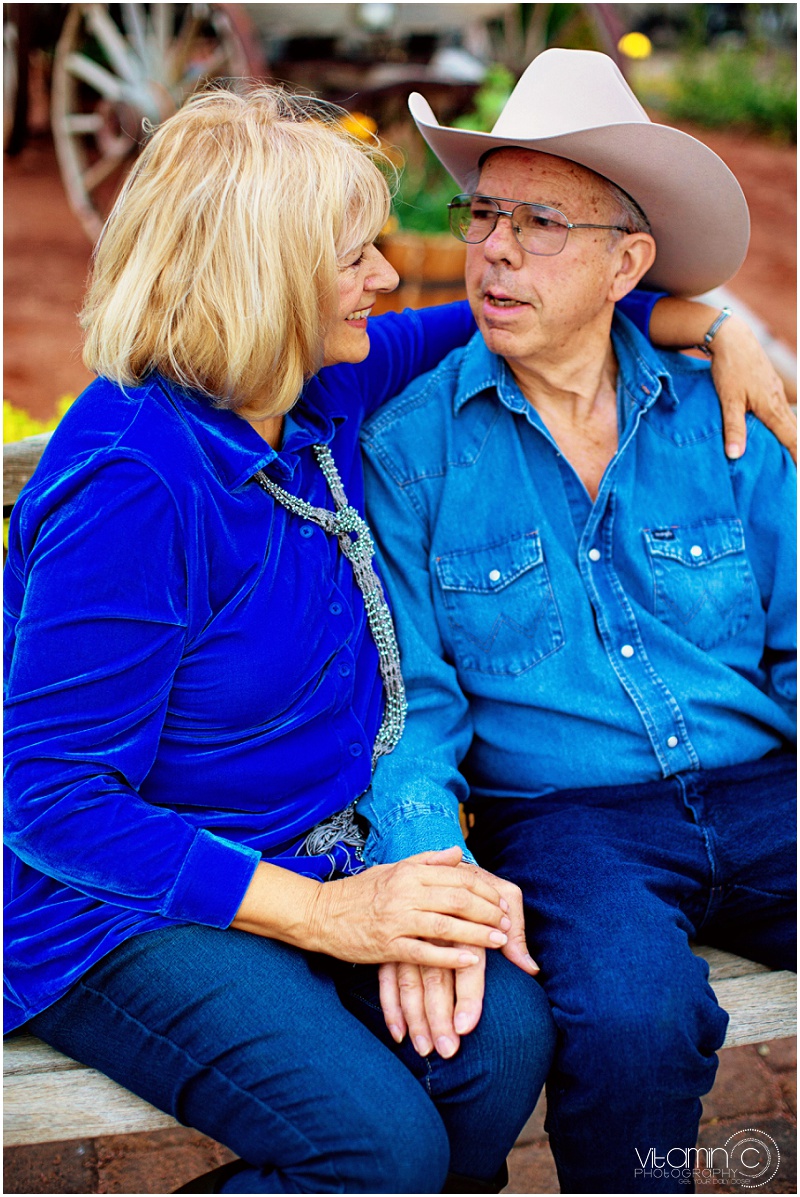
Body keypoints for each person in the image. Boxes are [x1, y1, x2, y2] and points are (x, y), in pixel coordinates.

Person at [2, 79, 789, 1196]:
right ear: (262, 274)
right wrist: (331, 912)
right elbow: (54, 802)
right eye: (353, 255)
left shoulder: (313, 385)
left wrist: (720, 324)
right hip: (128, 901)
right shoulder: (137, 477)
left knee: (496, 1041)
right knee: (381, 1151)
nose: (388, 274)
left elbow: (537, 309)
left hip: (313, 847)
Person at [359, 49, 797, 1195]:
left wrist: (721, 328)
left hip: (765, 790)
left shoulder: (724, 413)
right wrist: (422, 850)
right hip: (567, 819)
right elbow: (416, 705)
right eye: (484, 214)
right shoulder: (410, 448)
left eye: (539, 222)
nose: (493, 249)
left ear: (626, 265)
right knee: (631, 1019)